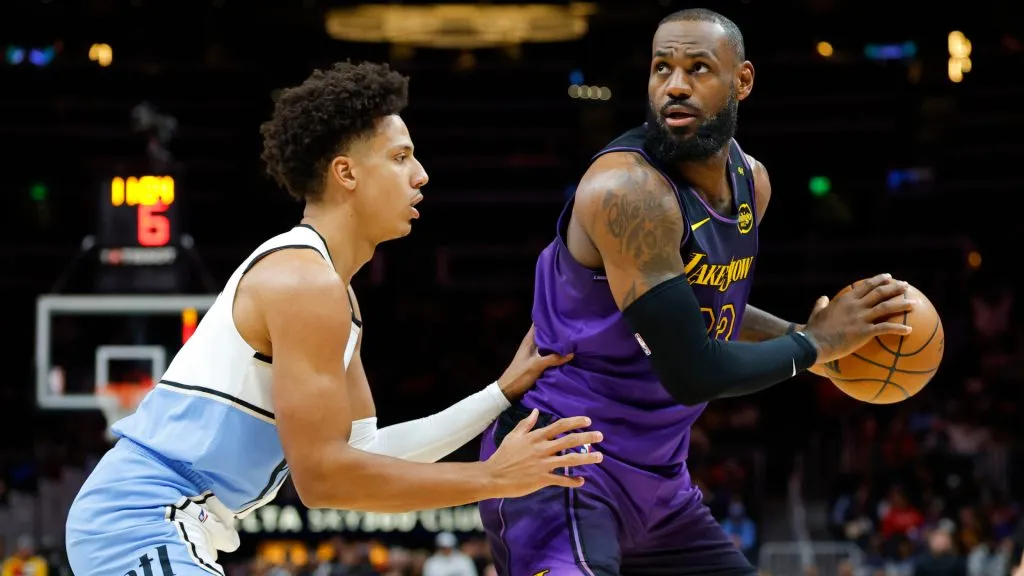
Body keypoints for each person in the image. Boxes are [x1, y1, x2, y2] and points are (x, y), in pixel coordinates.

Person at [65, 61, 603, 576]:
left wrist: (498, 394)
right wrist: (490, 478)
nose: (421, 175)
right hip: (139, 521)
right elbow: (324, 480)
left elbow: (362, 456)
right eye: (400, 157)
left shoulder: (334, 291)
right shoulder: (305, 283)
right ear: (346, 172)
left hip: (173, 525)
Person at [479, 9, 915, 576]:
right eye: (663, 68)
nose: (675, 85)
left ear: (743, 81)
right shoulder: (629, 191)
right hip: (557, 465)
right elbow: (691, 371)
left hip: (659, 482)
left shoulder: (750, 183)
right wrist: (813, 348)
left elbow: (708, 312)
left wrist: (804, 337)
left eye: (699, 68)